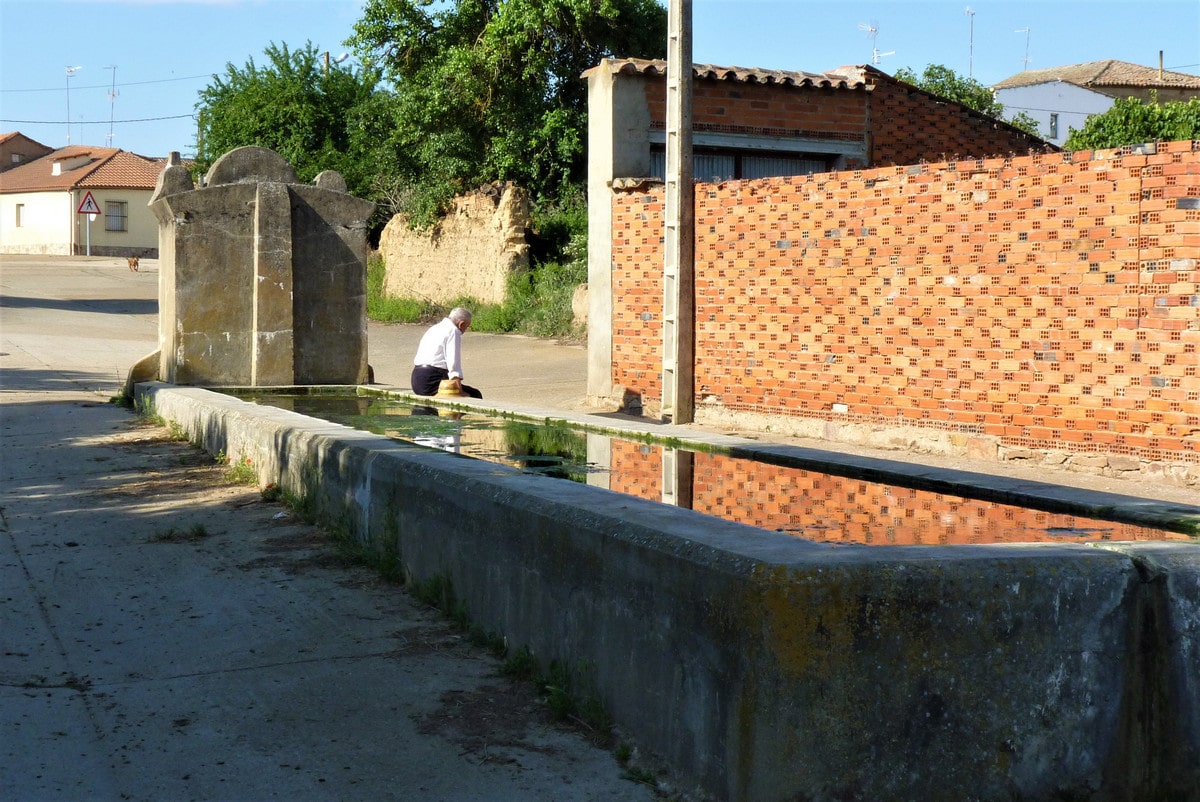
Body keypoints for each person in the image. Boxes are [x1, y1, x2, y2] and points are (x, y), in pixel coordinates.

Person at [410, 307, 483, 398]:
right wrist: (456, 381)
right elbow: (453, 360)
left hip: (417, 379)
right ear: (461, 324)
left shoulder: (435, 328)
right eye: (467, 327)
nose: (465, 330)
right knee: (475, 395)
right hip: (432, 379)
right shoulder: (453, 330)